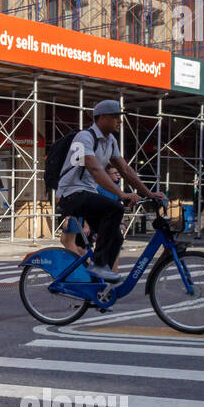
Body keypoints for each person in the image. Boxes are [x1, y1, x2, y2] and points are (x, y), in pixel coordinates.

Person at [56, 99, 166, 283]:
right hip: (71, 193)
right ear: (103, 117)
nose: (119, 121)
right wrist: (122, 194)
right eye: (115, 117)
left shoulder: (110, 141)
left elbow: (126, 170)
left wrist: (149, 193)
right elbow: (96, 170)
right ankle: (99, 265)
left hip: (87, 194)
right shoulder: (85, 137)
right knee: (115, 208)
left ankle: (97, 282)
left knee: (115, 233)